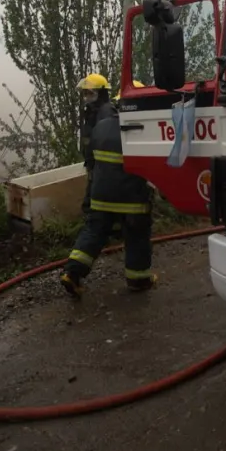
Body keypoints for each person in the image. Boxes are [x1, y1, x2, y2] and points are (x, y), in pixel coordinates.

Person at [61, 85, 155, 297]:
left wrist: (89, 195)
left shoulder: (101, 126)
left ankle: (72, 273)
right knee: (137, 236)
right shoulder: (142, 129)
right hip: (132, 198)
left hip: (100, 196)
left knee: (94, 233)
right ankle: (138, 281)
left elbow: (90, 163)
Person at [76, 74, 115, 216]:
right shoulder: (92, 111)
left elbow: (107, 143)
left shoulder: (107, 112)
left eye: (90, 93)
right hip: (94, 166)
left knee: (93, 206)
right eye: (85, 93)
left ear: (101, 93)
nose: (86, 97)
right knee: (91, 204)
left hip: (103, 168)